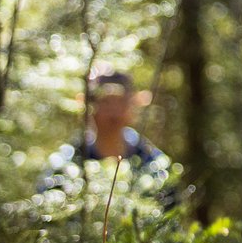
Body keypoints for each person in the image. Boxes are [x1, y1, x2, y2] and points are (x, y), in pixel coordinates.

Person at [38, 66, 176, 208]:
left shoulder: (155, 165)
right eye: (105, 102)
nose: (114, 112)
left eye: (121, 102)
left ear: (133, 105)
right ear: (87, 106)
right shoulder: (65, 164)